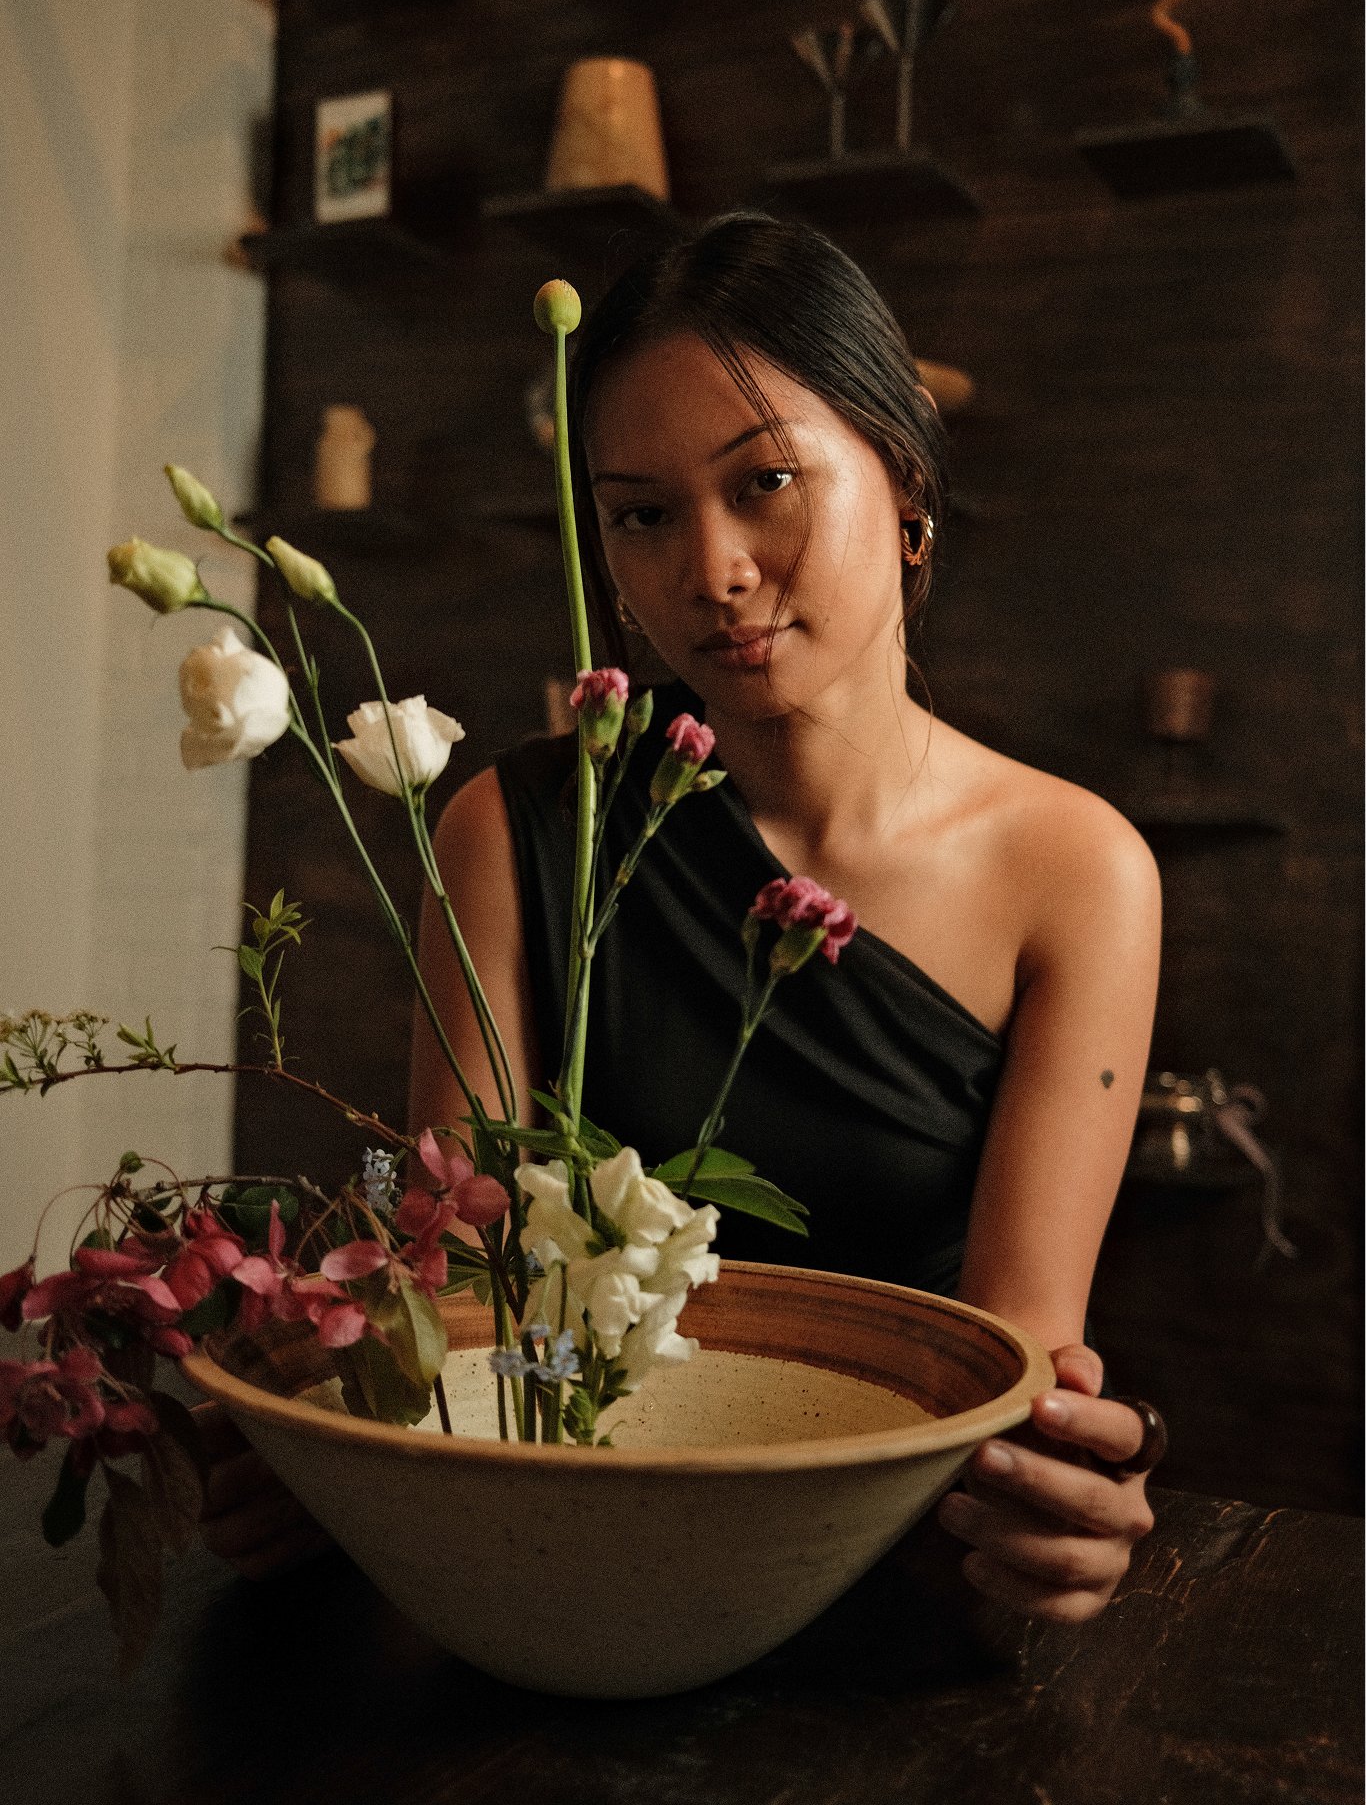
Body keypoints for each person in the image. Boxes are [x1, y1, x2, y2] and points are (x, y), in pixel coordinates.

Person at [204, 212, 1166, 1623]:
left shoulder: (1076, 869)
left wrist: (1075, 1497)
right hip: (547, 1563)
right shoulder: (519, 828)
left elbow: (1016, 1364)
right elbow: (459, 1282)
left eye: (764, 481)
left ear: (903, 483)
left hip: (881, 1577)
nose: (709, 570)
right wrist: (322, 1441)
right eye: (643, 513)